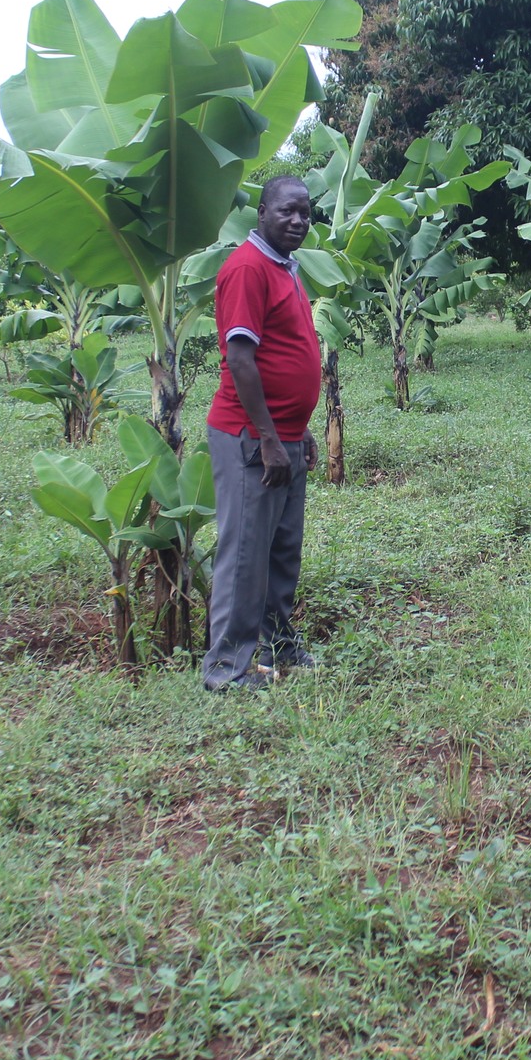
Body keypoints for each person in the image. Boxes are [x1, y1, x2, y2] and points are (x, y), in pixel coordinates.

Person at [202, 176, 321, 691]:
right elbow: (241, 359)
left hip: (284, 434)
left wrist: (299, 429)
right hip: (250, 437)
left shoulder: (286, 268)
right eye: (287, 212)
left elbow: (285, 353)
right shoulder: (248, 268)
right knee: (246, 552)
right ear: (262, 213)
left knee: (281, 550)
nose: (297, 221)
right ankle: (226, 670)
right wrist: (269, 438)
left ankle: (277, 644)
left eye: (305, 213)